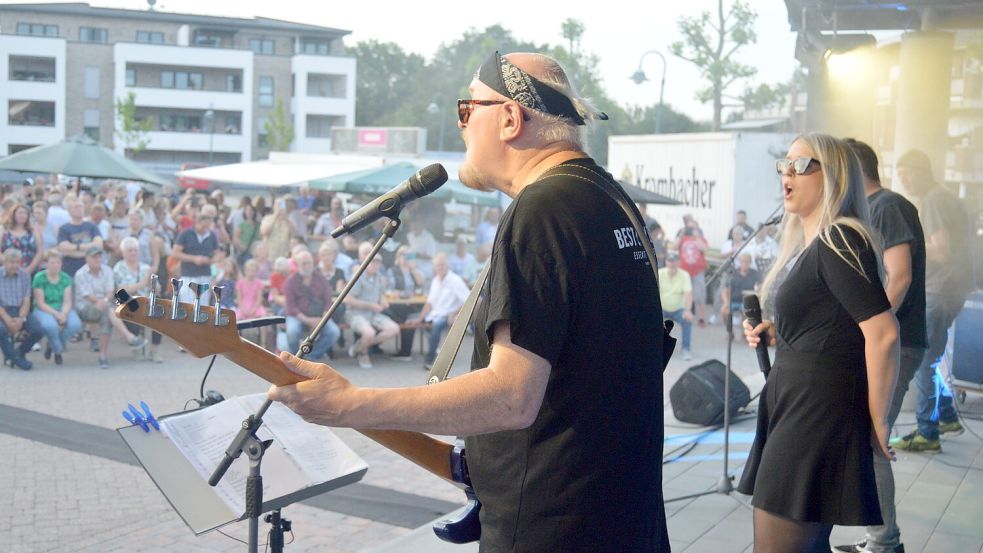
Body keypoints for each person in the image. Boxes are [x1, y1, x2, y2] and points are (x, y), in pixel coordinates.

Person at [269, 51, 669, 552]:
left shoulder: (542, 209)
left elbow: (511, 396)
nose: (461, 127)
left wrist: (351, 403)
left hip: (553, 531)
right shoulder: (611, 201)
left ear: (509, 118)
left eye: (467, 109)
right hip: (624, 523)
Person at [739, 133, 899, 553]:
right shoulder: (820, 242)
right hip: (800, 406)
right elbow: (836, 320)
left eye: (802, 164)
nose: (787, 173)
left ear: (836, 177)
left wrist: (879, 420)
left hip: (814, 415)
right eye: (784, 165)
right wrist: (782, 331)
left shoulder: (839, 238)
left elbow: (882, 333)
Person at [828, 140, 927, 553]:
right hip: (892, 342)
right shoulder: (872, 209)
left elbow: (899, 276)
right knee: (869, 438)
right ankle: (879, 538)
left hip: (897, 344)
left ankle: (886, 543)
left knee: (875, 439)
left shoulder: (887, 206)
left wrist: (871, 324)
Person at [889, 149, 972, 452]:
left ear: (921, 170)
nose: (904, 180)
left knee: (925, 360)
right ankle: (947, 416)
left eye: (906, 173)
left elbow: (942, 250)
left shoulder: (935, 200)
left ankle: (927, 432)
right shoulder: (944, 197)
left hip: (941, 287)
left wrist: (904, 243)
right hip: (952, 288)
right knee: (933, 359)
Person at [74, 247, 145, 369]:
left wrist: (105, 301)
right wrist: (100, 302)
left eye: (99, 257)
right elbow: (87, 295)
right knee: (109, 310)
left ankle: (103, 356)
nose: (97, 259)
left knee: (107, 316)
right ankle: (129, 337)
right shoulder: (80, 274)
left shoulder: (107, 270)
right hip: (86, 307)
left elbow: (110, 291)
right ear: (87, 259)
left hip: (104, 305)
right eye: (94, 257)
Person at [408, 252, 469, 370]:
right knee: (410, 318)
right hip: (435, 314)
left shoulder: (455, 280)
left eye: (442, 265)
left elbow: (468, 301)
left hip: (447, 315)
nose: (439, 268)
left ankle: (429, 360)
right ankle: (431, 348)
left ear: (448, 265)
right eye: (437, 265)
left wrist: (455, 313)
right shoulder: (436, 280)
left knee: (435, 327)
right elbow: (429, 303)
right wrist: (419, 319)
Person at [25, 250, 83, 366]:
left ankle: (51, 345)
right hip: (43, 309)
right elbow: (40, 303)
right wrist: (56, 315)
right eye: (52, 262)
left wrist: (63, 314)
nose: (55, 265)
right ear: (46, 264)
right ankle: (58, 352)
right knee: (50, 326)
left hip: (62, 307)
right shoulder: (39, 278)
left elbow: (67, 301)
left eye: (58, 262)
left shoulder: (65, 278)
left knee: (75, 324)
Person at [344, 256, 400, 369]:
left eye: (378, 263)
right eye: (373, 263)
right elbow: (348, 300)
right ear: (366, 263)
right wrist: (370, 305)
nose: (376, 266)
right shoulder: (357, 277)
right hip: (356, 313)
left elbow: (382, 295)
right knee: (369, 333)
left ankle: (358, 347)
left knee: (394, 328)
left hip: (373, 314)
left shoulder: (379, 278)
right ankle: (363, 353)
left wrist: (384, 302)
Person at [283, 251, 340, 360]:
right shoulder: (290, 282)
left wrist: (323, 318)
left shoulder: (321, 279)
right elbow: (291, 307)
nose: (307, 266)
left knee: (334, 332)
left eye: (309, 263)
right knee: (292, 332)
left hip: (319, 316)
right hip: (298, 316)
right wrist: (308, 320)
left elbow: (328, 301)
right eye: (303, 263)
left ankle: (311, 357)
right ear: (298, 265)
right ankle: (297, 357)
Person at [114, 236, 163, 363]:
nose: (133, 253)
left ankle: (154, 350)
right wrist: (142, 283)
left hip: (145, 300)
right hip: (126, 302)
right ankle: (138, 348)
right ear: (123, 252)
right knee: (132, 308)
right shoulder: (118, 268)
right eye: (130, 250)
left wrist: (153, 284)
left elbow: (157, 289)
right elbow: (121, 292)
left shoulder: (146, 268)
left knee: (160, 311)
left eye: (135, 250)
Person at [172, 210, 219, 305]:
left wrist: (210, 260)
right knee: (188, 304)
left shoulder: (211, 235)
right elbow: (176, 253)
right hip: (189, 274)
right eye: (203, 226)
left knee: (203, 306)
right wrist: (194, 259)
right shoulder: (185, 234)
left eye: (207, 226)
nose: (205, 229)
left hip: (205, 274)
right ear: (197, 223)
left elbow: (217, 254)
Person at [0, 249, 36, 370]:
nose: (15, 265)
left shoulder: (24, 275)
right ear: (4, 262)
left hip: (20, 310)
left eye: (17, 262)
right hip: (2, 311)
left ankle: (19, 352)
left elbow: (27, 299)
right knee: (1, 330)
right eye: (11, 262)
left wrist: (21, 318)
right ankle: (14, 359)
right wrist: (7, 319)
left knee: (38, 330)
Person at [659, 251, 693, 360]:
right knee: (651, 320)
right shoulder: (659, 273)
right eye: (669, 261)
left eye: (674, 261)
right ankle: (655, 348)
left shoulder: (684, 275)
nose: (672, 264)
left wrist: (687, 310)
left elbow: (688, 293)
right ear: (666, 262)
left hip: (679, 309)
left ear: (678, 262)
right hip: (662, 308)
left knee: (687, 320)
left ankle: (685, 349)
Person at [57, 196, 103, 277]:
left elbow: (99, 245)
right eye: (76, 207)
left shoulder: (92, 226)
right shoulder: (64, 229)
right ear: (69, 211)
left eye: (81, 206)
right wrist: (89, 252)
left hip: (90, 271)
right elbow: (64, 250)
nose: (79, 209)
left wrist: (75, 248)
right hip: (70, 270)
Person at [676, 215, 708, 325]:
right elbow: (675, 247)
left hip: (698, 271)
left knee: (699, 295)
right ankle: (685, 315)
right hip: (684, 271)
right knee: (685, 294)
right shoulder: (682, 237)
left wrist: (696, 237)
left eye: (693, 228)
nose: (691, 230)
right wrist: (681, 235)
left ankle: (701, 318)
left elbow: (705, 249)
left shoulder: (700, 238)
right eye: (689, 228)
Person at [720, 252, 760, 326]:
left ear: (750, 263)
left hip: (747, 301)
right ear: (739, 262)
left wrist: (758, 290)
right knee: (724, 311)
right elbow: (725, 290)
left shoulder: (754, 274)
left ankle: (744, 333)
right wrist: (726, 302)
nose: (744, 264)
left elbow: (760, 286)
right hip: (733, 300)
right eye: (742, 261)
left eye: (747, 262)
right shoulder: (733, 273)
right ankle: (729, 331)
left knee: (747, 312)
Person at [1, 203, 42, 273]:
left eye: (25, 213)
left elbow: (40, 251)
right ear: (13, 214)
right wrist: (8, 266)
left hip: (29, 270)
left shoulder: (33, 230)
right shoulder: (3, 230)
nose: (22, 215)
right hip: (7, 271)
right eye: (20, 213)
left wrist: (30, 269)